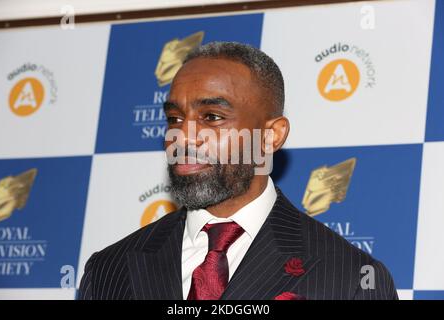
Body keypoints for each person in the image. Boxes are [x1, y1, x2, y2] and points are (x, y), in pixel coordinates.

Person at [79, 42, 398, 300]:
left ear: (271, 135)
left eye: (212, 117)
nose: (183, 136)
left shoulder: (352, 278)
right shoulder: (109, 269)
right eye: (175, 118)